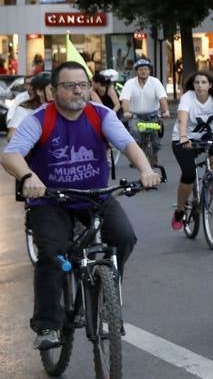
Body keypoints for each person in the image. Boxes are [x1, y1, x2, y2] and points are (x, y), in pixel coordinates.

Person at [2, 60, 162, 349]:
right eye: (69, 85)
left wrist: (146, 170)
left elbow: (128, 144)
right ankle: (49, 325)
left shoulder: (100, 115)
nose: (78, 90)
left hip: (95, 196)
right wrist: (28, 176)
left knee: (124, 237)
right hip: (51, 200)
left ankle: (107, 291)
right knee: (51, 253)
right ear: (53, 91)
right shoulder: (40, 119)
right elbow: (11, 155)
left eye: (83, 85)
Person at [170, 70, 213, 230]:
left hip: (205, 135)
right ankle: (180, 210)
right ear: (193, 85)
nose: (200, 86)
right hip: (183, 139)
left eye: (204, 82)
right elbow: (182, 117)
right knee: (189, 175)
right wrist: (184, 136)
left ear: (210, 85)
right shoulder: (188, 98)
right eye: (197, 82)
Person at [119, 57, 170, 168]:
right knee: (135, 136)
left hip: (152, 115)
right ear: (136, 71)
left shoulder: (155, 82)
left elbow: (162, 98)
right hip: (135, 116)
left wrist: (165, 111)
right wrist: (126, 112)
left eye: (146, 69)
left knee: (156, 142)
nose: (143, 71)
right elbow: (125, 100)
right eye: (141, 69)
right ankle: (135, 157)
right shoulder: (130, 83)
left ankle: (154, 156)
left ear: (149, 71)